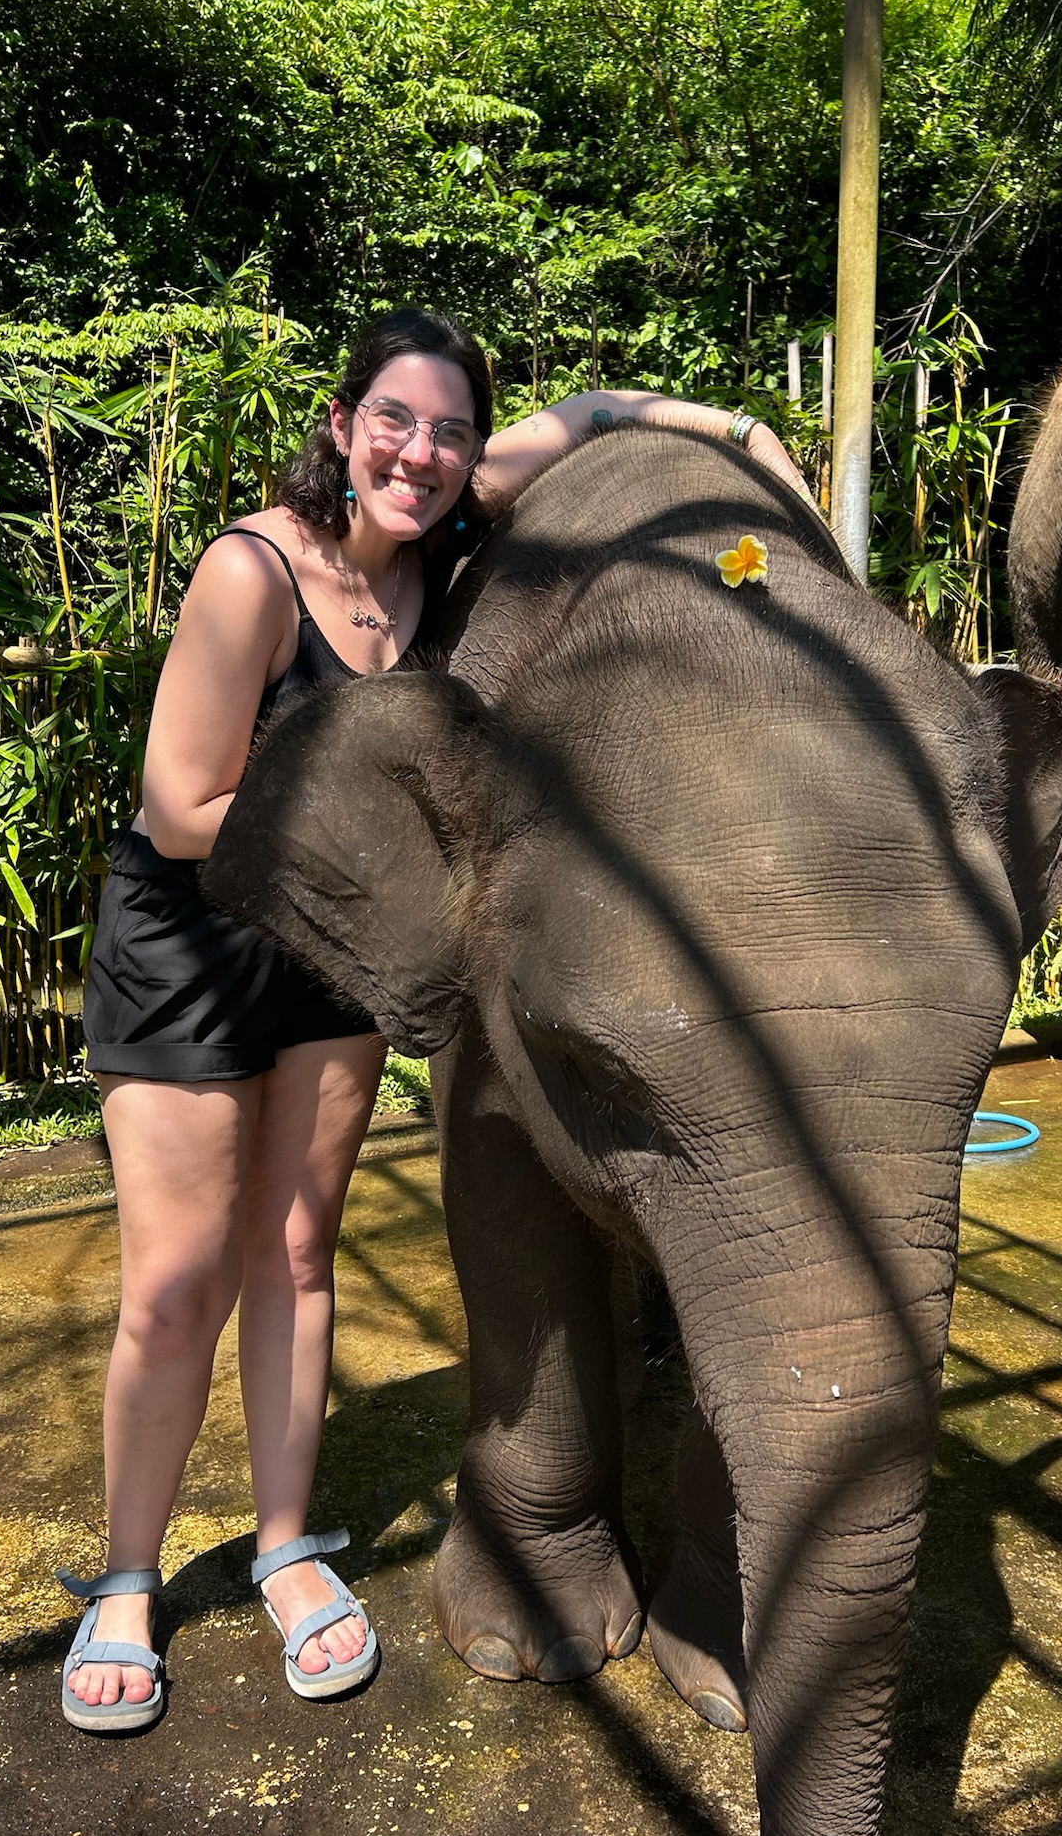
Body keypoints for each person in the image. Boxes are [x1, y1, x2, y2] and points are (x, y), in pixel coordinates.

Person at [61, 306, 807, 1731]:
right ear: (342, 427)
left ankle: (286, 1550)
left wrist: (737, 433)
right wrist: (415, 872)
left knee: (295, 1250)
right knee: (176, 1283)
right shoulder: (251, 571)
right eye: (394, 421)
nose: (423, 451)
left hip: (341, 944)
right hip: (202, 943)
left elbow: (589, 414)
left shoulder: (441, 548)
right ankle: (130, 1582)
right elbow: (175, 806)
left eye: (452, 430)